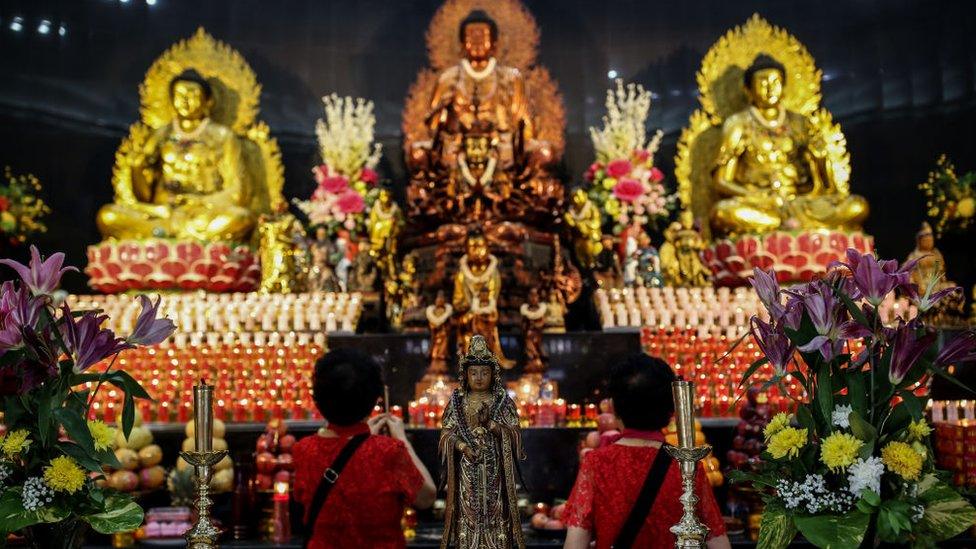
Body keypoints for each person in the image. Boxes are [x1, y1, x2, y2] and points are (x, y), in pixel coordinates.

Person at [563, 354, 730, 549]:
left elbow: (575, 544)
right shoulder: (687, 465)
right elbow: (718, 541)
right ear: (671, 409)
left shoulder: (596, 464)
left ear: (614, 407)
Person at [292, 348, 436, 549]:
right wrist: (401, 439)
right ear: (374, 399)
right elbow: (426, 497)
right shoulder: (389, 451)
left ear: (317, 401)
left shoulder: (303, 451)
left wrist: (362, 441)